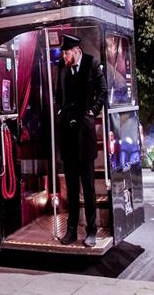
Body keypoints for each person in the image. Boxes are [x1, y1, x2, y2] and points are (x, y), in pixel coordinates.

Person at [55, 34, 107, 247]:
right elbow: (60, 93)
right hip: (67, 133)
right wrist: (60, 111)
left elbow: (103, 91)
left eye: (66, 53)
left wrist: (92, 112)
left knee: (88, 187)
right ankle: (71, 231)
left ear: (75, 51)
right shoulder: (63, 67)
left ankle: (92, 231)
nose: (64, 56)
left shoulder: (92, 64)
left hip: (84, 135)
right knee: (72, 188)